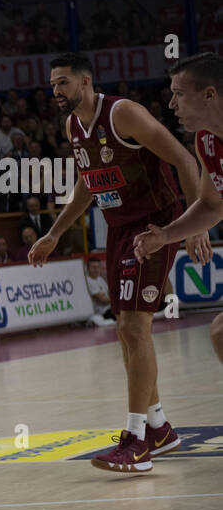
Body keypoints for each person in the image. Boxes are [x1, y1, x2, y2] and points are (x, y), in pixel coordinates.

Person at [29, 53, 208, 473]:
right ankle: (159, 427)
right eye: (53, 84)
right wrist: (55, 233)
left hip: (155, 225)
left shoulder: (123, 113)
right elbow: (87, 187)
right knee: (126, 334)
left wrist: (195, 225)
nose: (55, 91)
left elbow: (183, 159)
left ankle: (136, 440)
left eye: (63, 83)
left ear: (86, 82)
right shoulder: (73, 126)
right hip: (118, 230)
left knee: (132, 325)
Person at [134, 52, 223, 363]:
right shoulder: (206, 141)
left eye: (179, 95)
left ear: (209, 95)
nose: (171, 105)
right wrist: (167, 235)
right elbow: (212, 205)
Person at [84, 257, 115, 327]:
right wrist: (117, 299)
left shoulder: (100, 279)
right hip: (102, 312)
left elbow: (110, 293)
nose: (96, 270)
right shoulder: (88, 281)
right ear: (88, 268)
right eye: (94, 267)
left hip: (110, 308)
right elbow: (103, 300)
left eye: (98, 267)